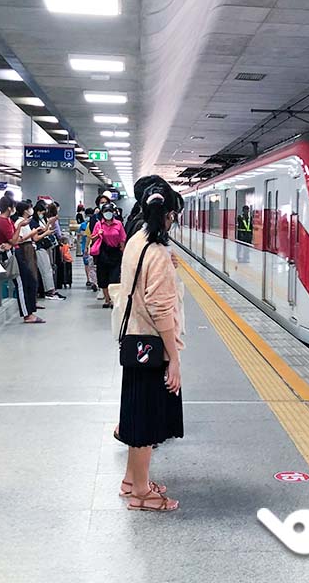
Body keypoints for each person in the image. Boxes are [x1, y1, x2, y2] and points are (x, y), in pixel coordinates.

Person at [117, 180, 184, 512]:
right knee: (146, 419)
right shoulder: (156, 252)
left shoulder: (136, 242)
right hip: (151, 346)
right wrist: (173, 359)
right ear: (169, 215)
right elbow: (160, 310)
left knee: (134, 413)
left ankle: (132, 479)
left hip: (132, 340)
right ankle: (141, 494)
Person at [0, 197, 43, 323]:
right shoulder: (3, 222)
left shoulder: (7, 220)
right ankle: (27, 314)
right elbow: (14, 240)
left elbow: (13, 241)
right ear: (9, 208)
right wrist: (20, 226)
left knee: (30, 281)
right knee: (21, 284)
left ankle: (31, 309)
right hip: (11, 255)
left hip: (16, 252)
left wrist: (12, 242)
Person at [12, 200, 47, 323]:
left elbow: (34, 237)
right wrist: (31, 233)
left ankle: (32, 306)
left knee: (33, 278)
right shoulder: (19, 222)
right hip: (24, 250)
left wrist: (45, 231)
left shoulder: (26, 223)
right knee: (28, 280)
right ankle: (28, 312)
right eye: (29, 208)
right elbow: (18, 240)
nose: (30, 210)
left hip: (30, 248)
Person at [91, 202, 127, 308]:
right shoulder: (99, 224)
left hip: (115, 252)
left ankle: (113, 299)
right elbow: (92, 238)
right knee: (103, 277)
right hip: (103, 253)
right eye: (106, 211)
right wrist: (98, 234)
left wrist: (124, 252)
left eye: (110, 211)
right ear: (102, 213)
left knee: (114, 277)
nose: (108, 214)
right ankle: (107, 300)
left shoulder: (118, 224)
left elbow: (122, 239)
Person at [33, 200, 66, 300]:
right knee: (45, 269)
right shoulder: (33, 222)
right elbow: (36, 237)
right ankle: (49, 291)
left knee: (48, 269)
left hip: (44, 247)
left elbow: (44, 230)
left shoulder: (41, 220)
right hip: (39, 247)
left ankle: (51, 289)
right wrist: (47, 232)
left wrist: (48, 224)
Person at [80, 208, 98, 291]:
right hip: (91, 247)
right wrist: (86, 248)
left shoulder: (98, 224)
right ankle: (92, 281)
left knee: (91, 266)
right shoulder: (87, 225)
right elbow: (87, 237)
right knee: (90, 265)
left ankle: (94, 281)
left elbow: (87, 236)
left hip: (92, 247)